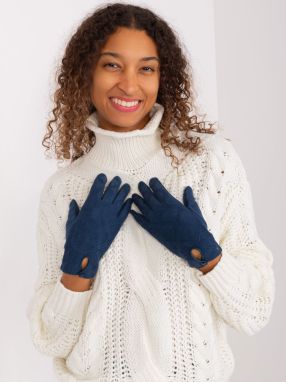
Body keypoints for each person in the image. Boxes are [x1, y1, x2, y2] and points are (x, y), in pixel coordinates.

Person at [26, 3, 275, 382]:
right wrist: (79, 264)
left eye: (146, 68)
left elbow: (254, 312)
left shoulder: (211, 162)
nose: (129, 84)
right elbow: (51, 340)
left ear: (163, 76)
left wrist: (204, 252)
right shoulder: (64, 191)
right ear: (86, 72)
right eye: (112, 64)